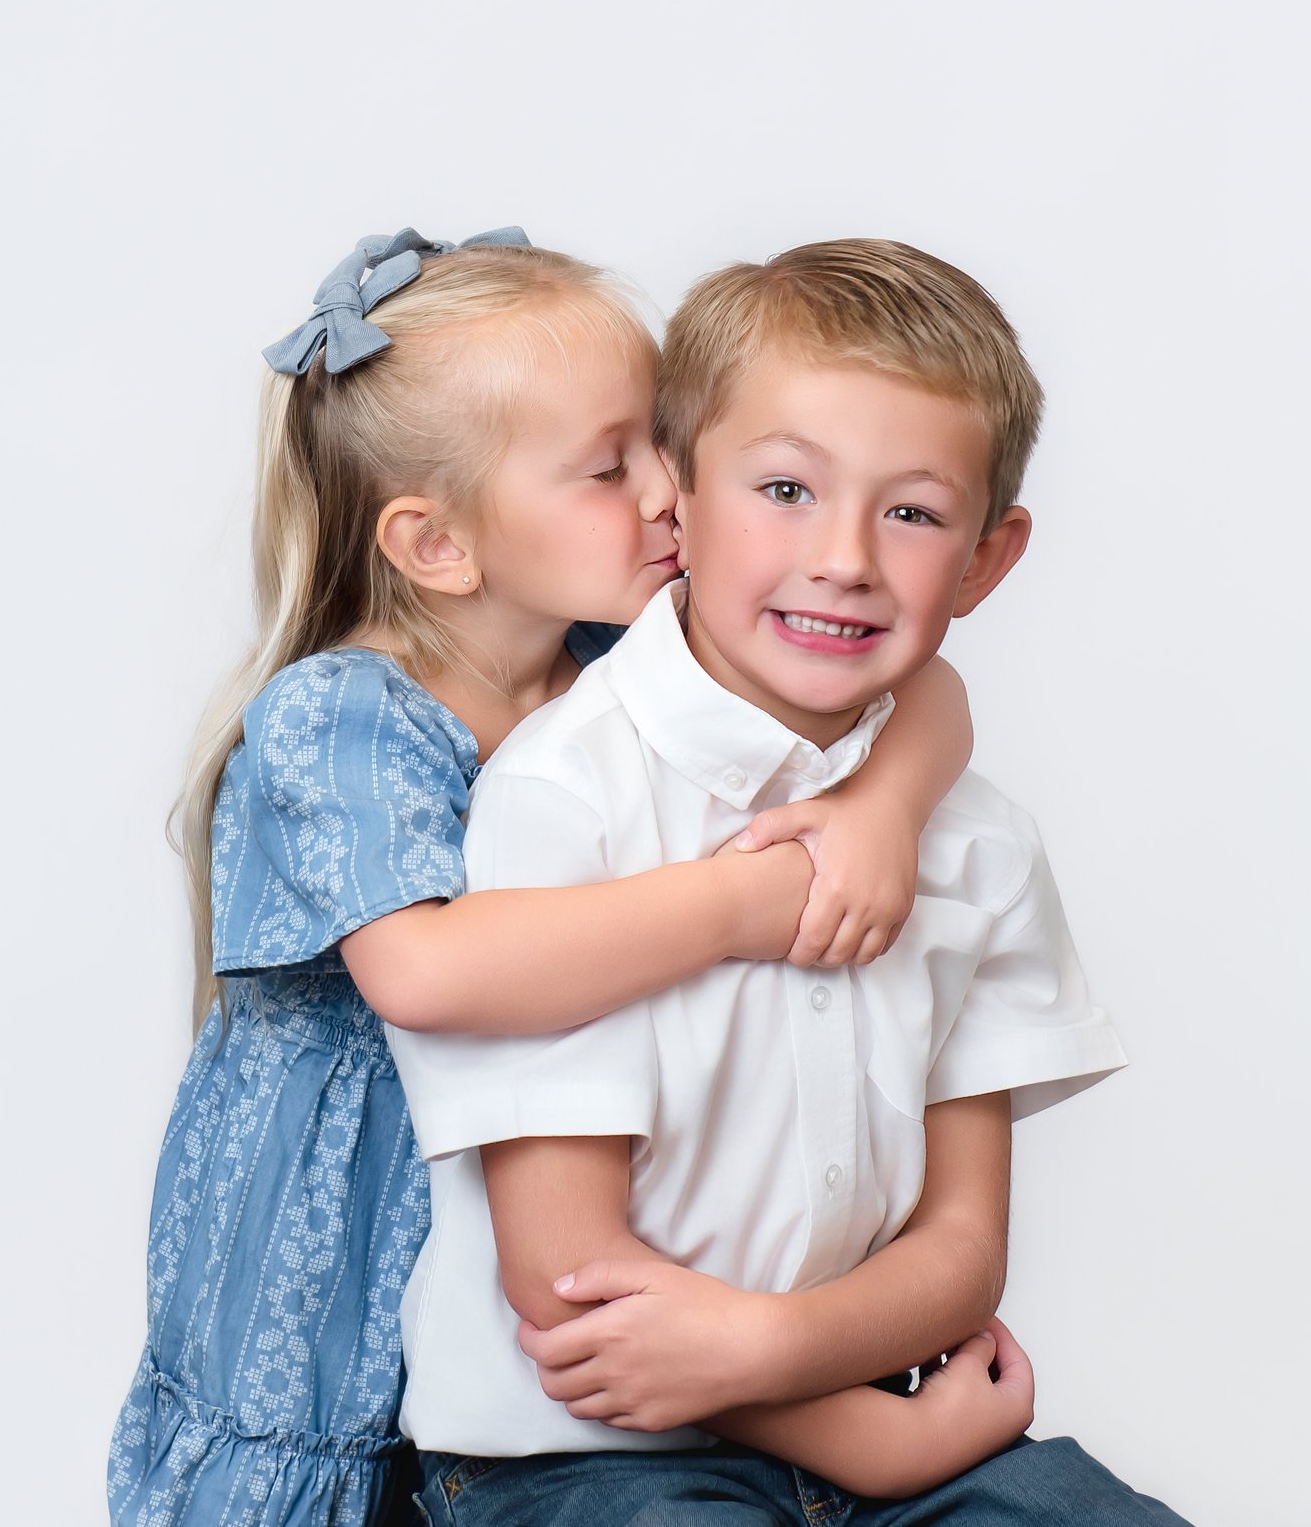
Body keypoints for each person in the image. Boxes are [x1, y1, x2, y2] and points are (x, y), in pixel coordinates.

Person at [106, 229, 981, 1527]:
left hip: (544, 1246)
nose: (671, 491)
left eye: (663, 442)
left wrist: (881, 807)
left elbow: (923, 678)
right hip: (346, 1256)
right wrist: (745, 901)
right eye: (610, 466)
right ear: (439, 545)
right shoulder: (341, 718)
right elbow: (428, 970)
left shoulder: (615, 661)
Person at [385, 240, 1193, 1523]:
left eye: (912, 513)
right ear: (677, 498)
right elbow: (568, 1288)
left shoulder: (973, 844)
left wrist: (787, 1361)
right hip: (579, 1454)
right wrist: (864, 1441)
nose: (845, 557)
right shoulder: (564, 798)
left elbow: (961, 1247)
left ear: (985, 560)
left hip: (878, 1416)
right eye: (784, 489)